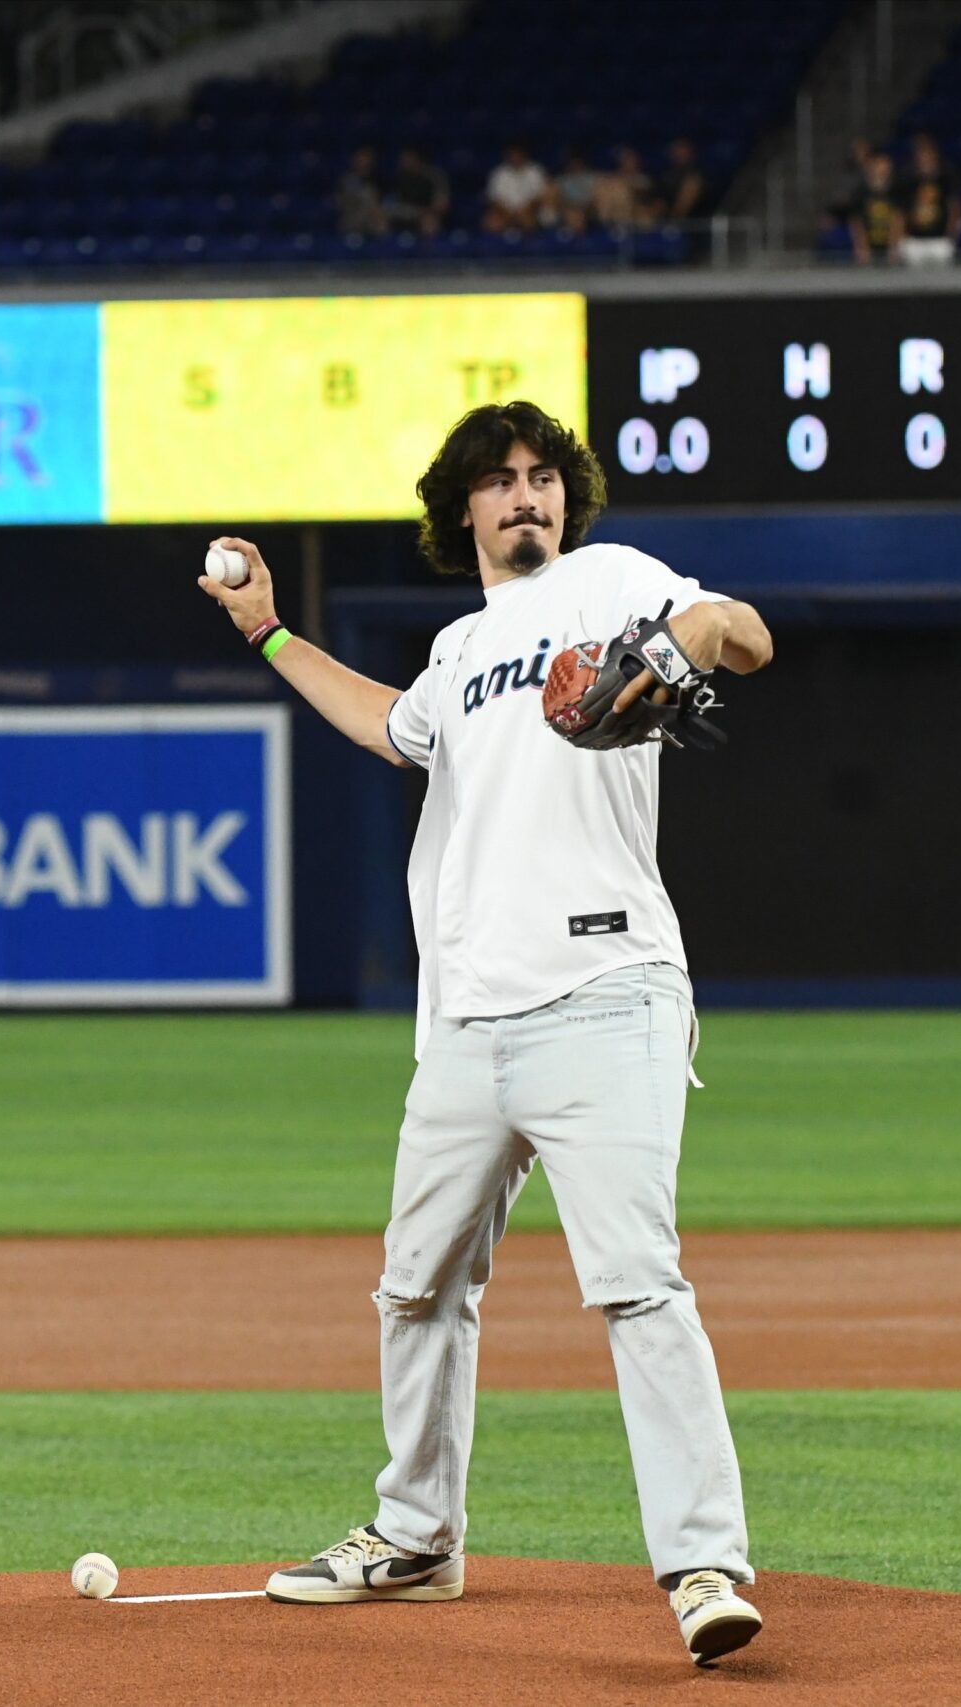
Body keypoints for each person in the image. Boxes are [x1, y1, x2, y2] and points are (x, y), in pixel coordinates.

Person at [194, 402, 776, 1666]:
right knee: (414, 1287)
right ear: (460, 509)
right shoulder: (461, 650)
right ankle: (417, 1536)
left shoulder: (612, 582)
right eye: (500, 482)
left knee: (637, 1284)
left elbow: (745, 633)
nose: (527, 498)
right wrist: (269, 631)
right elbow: (382, 723)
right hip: (463, 1018)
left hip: (607, 987)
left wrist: (676, 648)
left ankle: (703, 1568)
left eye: (544, 478)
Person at [898, 132, 961, 266]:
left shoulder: (947, 176)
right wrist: (901, 237)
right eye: (922, 154)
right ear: (916, 156)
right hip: (914, 240)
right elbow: (901, 211)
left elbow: (955, 206)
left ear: (935, 154)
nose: (925, 158)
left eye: (928, 153)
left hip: (939, 240)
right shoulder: (908, 178)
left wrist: (951, 235)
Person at [484, 140, 552, 233]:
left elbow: (541, 197)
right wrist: (508, 213)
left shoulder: (536, 171)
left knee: (528, 220)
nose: (515, 157)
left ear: (524, 155)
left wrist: (527, 210)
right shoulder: (498, 173)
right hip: (505, 212)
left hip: (530, 211)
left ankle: (532, 246)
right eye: (512, 155)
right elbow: (494, 199)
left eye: (518, 154)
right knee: (492, 222)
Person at [848, 150, 904, 263]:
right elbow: (856, 222)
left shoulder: (896, 190)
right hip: (868, 243)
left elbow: (899, 219)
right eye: (880, 164)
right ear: (871, 166)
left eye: (886, 164)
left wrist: (894, 246)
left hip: (890, 244)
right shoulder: (860, 192)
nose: (883, 168)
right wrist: (862, 247)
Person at [386, 146, 450, 237]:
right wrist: (416, 212)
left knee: (430, 220)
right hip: (406, 214)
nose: (404, 162)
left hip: (429, 214)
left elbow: (442, 205)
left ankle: (431, 249)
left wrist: (426, 212)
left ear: (417, 159)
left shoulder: (435, 176)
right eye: (403, 159)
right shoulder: (398, 178)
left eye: (408, 158)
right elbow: (390, 205)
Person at [594, 144, 653, 231]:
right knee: (604, 186)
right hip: (614, 211)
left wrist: (626, 185)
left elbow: (644, 196)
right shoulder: (612, 179)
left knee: (620, 189)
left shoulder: (642, 178)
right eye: (626, 161)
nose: (629, 163)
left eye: (632, 161)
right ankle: (605, 224)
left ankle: (615, 224)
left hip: (635, 211)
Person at [336, 144, 388, 238]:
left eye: (366, 158)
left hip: (373, 218)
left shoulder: (379, 180)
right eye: (360, 158)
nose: (363, 161)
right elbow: (340, 201)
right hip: (352, 216)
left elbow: (382, 202)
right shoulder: (346, 179)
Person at [657, 137, 709, 223]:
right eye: (677, 151)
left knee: (692, 185)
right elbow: (661, 198)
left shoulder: (698, 174)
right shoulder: (667, 175)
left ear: (691, 153)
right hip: (665, 217)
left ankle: (673, 224)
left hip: (694, 220)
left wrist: (674, 217)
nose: (680, 154)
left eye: (684, 151)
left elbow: (693, 196)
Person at [552, 144, 601, 234]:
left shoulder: (592, 178)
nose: (576, 166)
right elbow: (560, 200)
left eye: (578, 163)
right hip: (569, 210)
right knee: (573, 215)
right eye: (573, 163)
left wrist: (584, 209)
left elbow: (596, 200)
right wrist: (570, 208)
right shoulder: (563, 180)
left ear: (583, 163)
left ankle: (581, 237)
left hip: (587, 210)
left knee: (579, 216)